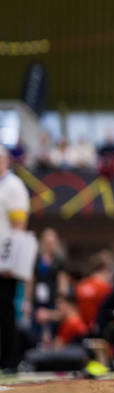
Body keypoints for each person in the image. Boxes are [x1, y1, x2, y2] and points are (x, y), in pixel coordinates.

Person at [0, 147, 29, 370]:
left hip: (5, 256)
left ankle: (10, 360)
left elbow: (18, 226)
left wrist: (11, 260)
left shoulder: (13, 186)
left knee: (6, 308)